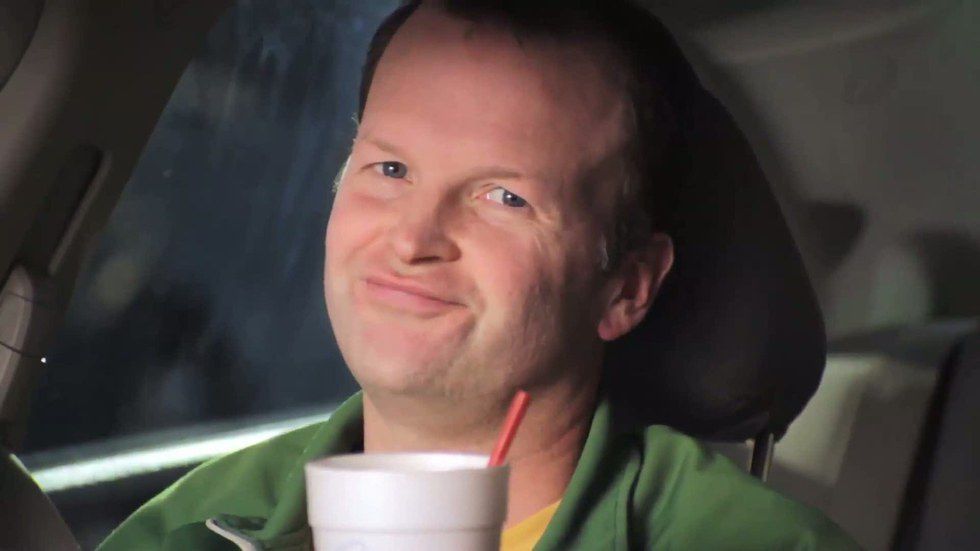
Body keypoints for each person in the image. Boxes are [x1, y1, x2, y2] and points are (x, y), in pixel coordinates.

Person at [98, 1, 860, 549]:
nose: (413, 238)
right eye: (390, 168)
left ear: (626, 287)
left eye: (505, 197)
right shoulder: (188, 528)